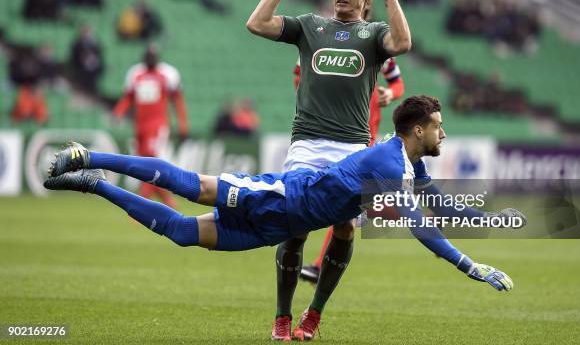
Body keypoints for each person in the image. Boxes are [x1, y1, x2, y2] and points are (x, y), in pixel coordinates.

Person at [44, 96, 517, 340]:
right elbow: (419, 224)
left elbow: (437, 202)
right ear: (419, 130)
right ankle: (89, 157)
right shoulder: (391, 165)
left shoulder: (408, 161)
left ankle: (93, 186)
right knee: (190, 184)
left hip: (280, 226)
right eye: (439, 126)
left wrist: (486, 218)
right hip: (282, 198)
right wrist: (469, 267)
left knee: (182, 232)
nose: (444, 132)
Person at [246, 0, 412, 340]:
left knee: (345, 230)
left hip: (353, 148)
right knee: (295, 228)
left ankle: (314, 314)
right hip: (306, 144)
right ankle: (282, 316)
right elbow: (256, 23)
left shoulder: (373, 35)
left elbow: (403, 43)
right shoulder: (309, 26)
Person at [294, 54, 404, 283]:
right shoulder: (319, 41)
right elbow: (298, 76)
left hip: (362, 136)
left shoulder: (377, 45)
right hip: (322, 133)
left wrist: (391, 93)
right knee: (314, 195)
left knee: (344, 203)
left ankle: (319, 265)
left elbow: (396, 82)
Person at [112, 44, 189, 209]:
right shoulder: (135, 74)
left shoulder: (167, 74)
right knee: (144, 165)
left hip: (158, 126)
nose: (150, 59)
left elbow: (178, 101)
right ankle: (169, 202)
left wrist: (183, 124)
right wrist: (118, 112)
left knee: (151, 162)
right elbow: (128, 97)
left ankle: (140, 204)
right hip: (140, 126)